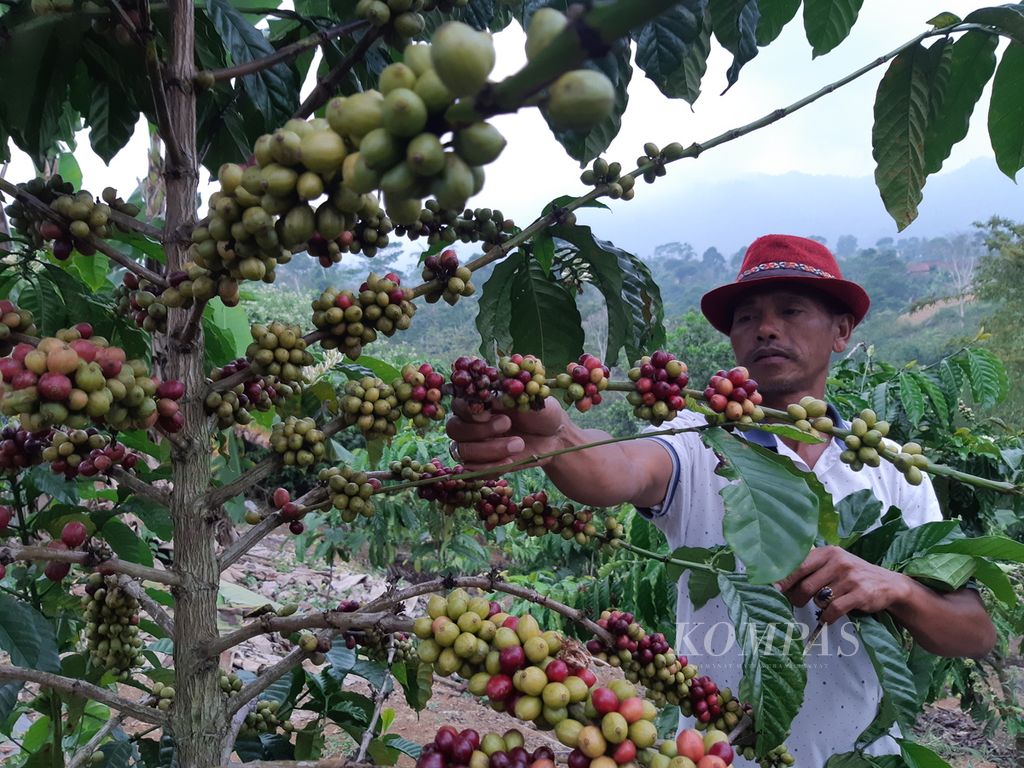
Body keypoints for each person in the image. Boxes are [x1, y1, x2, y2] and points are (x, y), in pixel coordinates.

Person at [446, 234, 996, 766]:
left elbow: (972, 631)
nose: (766, 329)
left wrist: (897, 587)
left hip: (865, 758)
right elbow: (617, 467)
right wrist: (555, 439)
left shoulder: (896, 470)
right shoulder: (695, 440)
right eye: (747, 317)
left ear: (842, 331)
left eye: (791, 310)